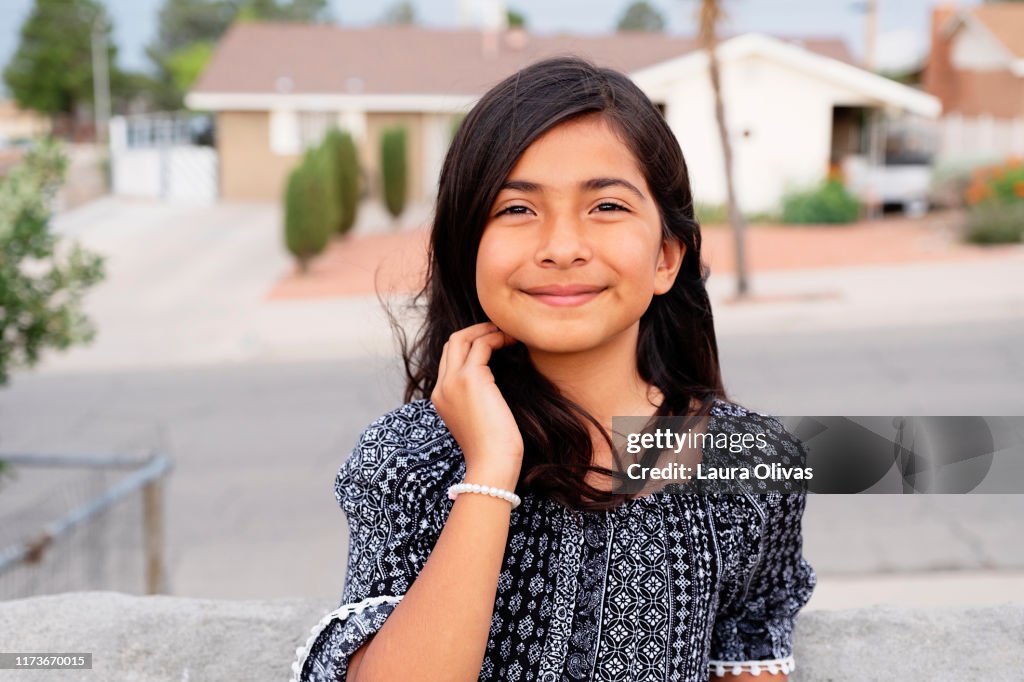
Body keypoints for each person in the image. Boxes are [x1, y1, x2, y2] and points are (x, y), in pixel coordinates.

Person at [291, 55, 816, 682]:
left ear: (666, 258)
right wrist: (489, 470)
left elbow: (750, 658)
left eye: (607, 207)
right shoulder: (409, 460)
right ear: (467, 252)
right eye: (516, 210)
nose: (562, 247)